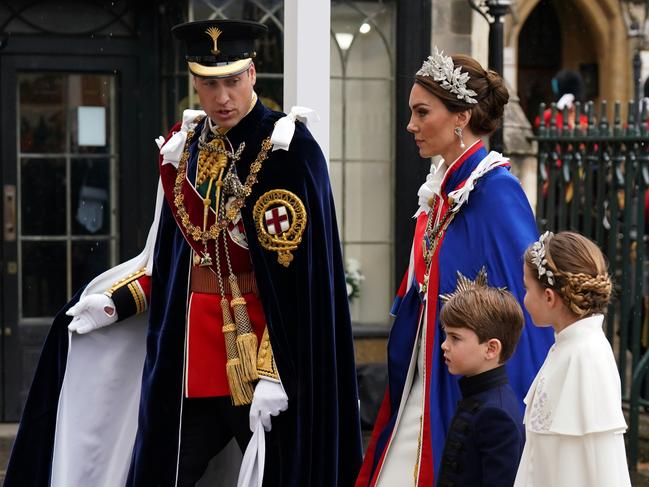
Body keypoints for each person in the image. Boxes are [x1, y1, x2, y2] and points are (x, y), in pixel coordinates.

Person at [6, 19, 362, 487]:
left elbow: (305, 282)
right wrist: (117, 302)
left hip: (258, 361)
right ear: (194, 81)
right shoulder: (186, 146)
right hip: (190, 358)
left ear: (253, 74)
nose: (222, 98)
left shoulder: (287, 149)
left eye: (232, 80)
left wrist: (276, 371)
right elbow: (169, 260)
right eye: (209, 84)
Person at [355, 48, 553, 487]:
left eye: (422, 112)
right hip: (426, 377)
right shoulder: (444, 189)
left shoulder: (495, 192)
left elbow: (525, 310)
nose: (411, 125)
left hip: (461, 386)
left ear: (461, 117)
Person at [514, 231, 631, 487]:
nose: (523, 299)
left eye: (526, 288)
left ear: (549, 297)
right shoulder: (567, 348)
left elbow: (600, 466)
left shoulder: (585, 358)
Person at [436, 270, 525, 486]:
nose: (444, 345)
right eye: (446, 335)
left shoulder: (496, 414)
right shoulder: (477, 396)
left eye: (455, 338)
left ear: (491, 348)